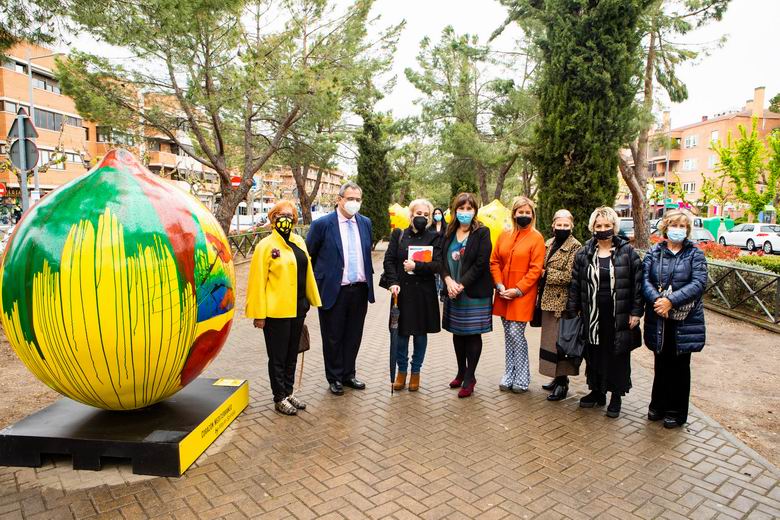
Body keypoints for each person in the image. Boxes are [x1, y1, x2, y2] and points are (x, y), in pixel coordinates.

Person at [566, 207, 643, 419]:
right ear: (592, 227)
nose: (603, 229)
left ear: (614, 227)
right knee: (594, 354)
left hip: (618, 314)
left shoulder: (627, 252)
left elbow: (638, 285)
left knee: (617, 354)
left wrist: (636, 312)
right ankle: (597, 391)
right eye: (599, 226)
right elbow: (575, 283)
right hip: (592, 314)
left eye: (607, 226)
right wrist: (574, 310)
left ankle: (616, 396)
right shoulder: (584, 252)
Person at [246, 200, 322, 415]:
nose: (285, 218)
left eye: (289, 215)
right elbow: (257, 282)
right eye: (280, 214)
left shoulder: (299, 241)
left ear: (295, 219)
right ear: (273, 217)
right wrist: (259, 315)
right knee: (278, 357)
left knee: (292, 354)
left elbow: (307, 271)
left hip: (298, 307)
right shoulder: (265, 246)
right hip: (276, 312)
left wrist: (310, 299)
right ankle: (279, 397)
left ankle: (288, 392)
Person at [306, 181, 375, 395]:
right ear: (339, 200)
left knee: (354, 335)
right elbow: (310, 255)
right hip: (333, 289)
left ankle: (349, 374)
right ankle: (334, 377)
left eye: (357, 199)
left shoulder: (365, 223)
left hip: (360, 289)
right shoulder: (323, 225)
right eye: (350, 199)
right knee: (333, 336)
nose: (354, 203)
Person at [642, 210, 707, 429]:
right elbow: (645, 281)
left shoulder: (694, 254)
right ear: (665, 227)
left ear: (687, 229)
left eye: (681, 225)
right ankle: (657, 406)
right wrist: (659, 301)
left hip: (684, 319)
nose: (677, 229)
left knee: (679, 365)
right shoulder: (655, 252)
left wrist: (671, 301)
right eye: (673, 225)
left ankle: (676, 411)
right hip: (659, 316)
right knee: (660, 361)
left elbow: (698, 283)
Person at [382, 199, 442, 391]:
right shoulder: (398, 235)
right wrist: (393, 282)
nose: (422, 218)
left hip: (424, 292)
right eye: (419, 214)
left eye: (426, 215)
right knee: (400, 334)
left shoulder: (435, 237)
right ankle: (401, 372)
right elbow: (389, 260)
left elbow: (438, 265)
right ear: (411, 215)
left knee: (420, 335)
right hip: (402, 292)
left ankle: (416, 372)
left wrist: (417, 266)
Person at [490, 196, 545, 393]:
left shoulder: (536, 238)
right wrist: (499, 284)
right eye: (520, 212)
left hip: (522, 294)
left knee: (516, 333)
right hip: (504, 292)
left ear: (532, 215)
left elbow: (536, 269)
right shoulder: (504, 235)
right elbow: (495, 261)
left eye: (527, 213)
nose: (524, 215)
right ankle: (509, 373)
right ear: (514, 214)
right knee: (508, 334)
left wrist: (519, 289)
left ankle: (522, 377)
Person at [441, 193, 493, 398]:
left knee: (472, 335)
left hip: (473, 292)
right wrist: (447, 280)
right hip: (452, 290)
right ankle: (461, 371)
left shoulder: (482, 232)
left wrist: (461, 285)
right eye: (461, 209)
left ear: (475, 211)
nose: (465, 213)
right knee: (457, 333)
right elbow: (440, 259)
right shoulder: (449, 232)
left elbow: (481, 263)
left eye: (469, 209)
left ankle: (470, 378)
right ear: (455, 211)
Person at [538, 209, 582, 401]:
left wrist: (547, 274)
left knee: (561, 343)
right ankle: (556, 378)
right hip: (548, 300)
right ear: (553, 225)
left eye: (566, 225)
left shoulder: (576, 247)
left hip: (564, 303)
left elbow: (572, 274)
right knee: (550, 342)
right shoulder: (548, 243)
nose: (562, 228)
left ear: (571, 226)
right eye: (559, 224)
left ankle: (563, 383)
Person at [429, 207, 446, 299]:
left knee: (443, 274)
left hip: (443, 253)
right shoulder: (430, 227)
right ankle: (435, 292)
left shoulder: (446, 227)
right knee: (434, 274)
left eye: (439, 213)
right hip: (433, 253)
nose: (437, 215)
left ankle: (443, 293)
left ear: (442, 215)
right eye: (435, 214)